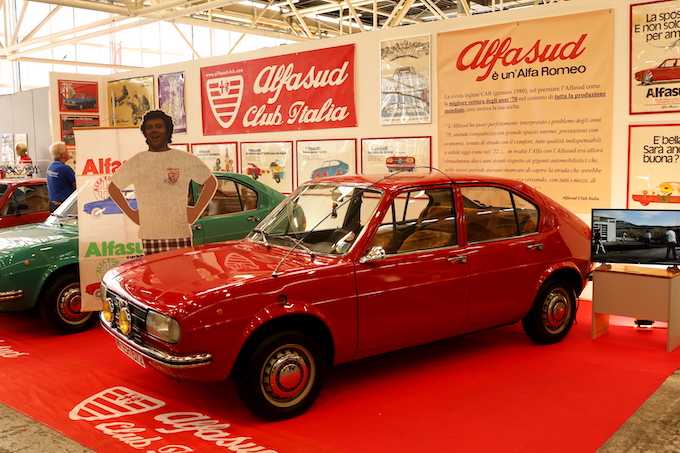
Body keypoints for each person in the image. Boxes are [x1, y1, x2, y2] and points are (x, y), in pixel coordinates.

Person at [108, 110, 217, 256]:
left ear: (167, 129)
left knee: (181, 277)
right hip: (150, 235)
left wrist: (196, 212)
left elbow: (211, 183)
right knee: (154, 277)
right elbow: (113, 188)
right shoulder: (138, 161)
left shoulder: (183, 159)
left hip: (179, 234)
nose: (154, 131)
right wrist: (133, 215)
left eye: (159, 126)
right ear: (145, 132)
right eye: (150, 127)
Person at [46, 141, 76, 211]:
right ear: (62, 154)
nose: (68, 152)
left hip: (53, 205)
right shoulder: (65, 168)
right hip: (65, 205)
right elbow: (76, 185)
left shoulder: (50, 167)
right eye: (67, 150)